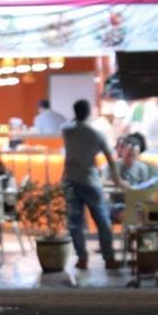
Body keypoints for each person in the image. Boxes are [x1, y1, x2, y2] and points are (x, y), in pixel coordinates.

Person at [61, 99, 118, 268]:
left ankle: (82, 258)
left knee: (75, 222)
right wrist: (118, 180)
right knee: (102, 221)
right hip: (90, 181)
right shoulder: (97, 134)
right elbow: (111, 159)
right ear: (89, 113)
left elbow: (72, 124)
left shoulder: (67, 131)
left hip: (70, 180)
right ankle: (108, 258)